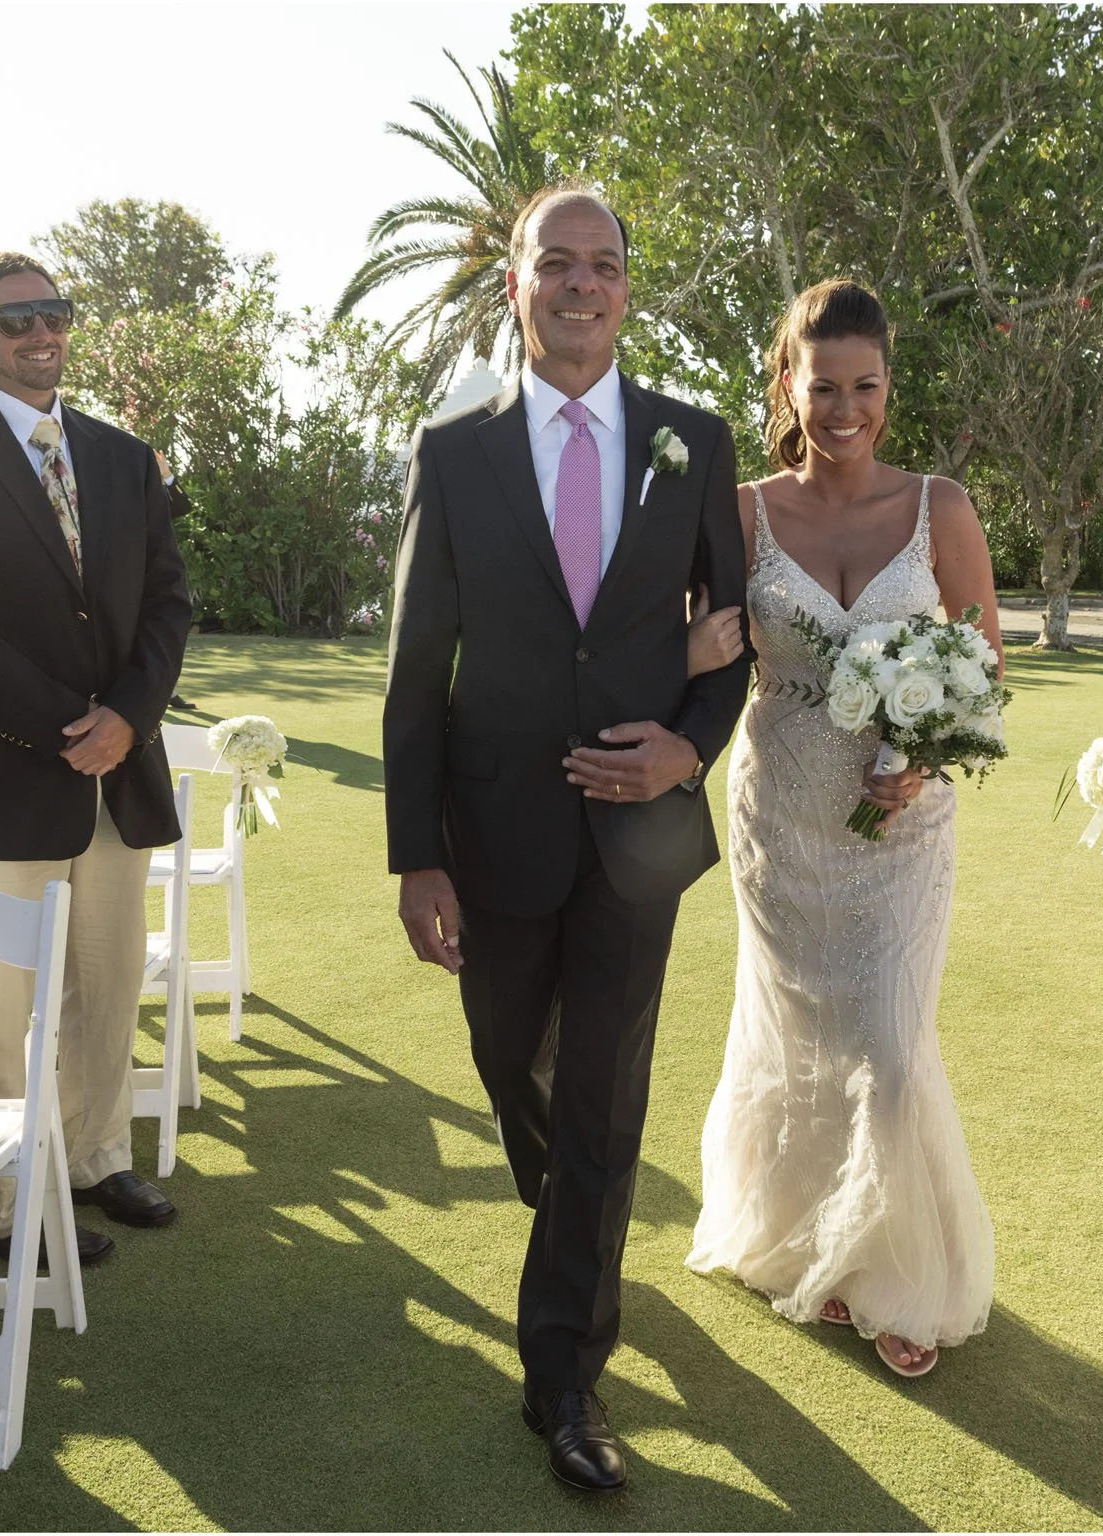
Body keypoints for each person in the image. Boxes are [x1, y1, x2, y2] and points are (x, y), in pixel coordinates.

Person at [383, 186, 750, 1493]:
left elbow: (733, 635)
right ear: (517, 286)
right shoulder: (453, 453)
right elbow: (418, 662)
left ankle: (565, 1378)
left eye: (605, 265)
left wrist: (689, 745)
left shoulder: (689, 443)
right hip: (491, 833)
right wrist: (415, 856)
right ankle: (575, 1208)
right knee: (509, 1059)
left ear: (626, 291)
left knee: (601, 1098)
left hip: (639, 839)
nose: (582, 284)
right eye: (559, 263)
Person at [681, 279, 998, 1379]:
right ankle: (810, 1246)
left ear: (885, 387)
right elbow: (678, 635)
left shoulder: (938, 508)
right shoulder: (740, 511)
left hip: (901, 820)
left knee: (891, 1051)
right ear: (788, 385)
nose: (845, 408)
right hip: (784, 808)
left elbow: (982, 663)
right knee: (801, 1036)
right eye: (823, 386)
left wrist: (922, 752)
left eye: (864, 385)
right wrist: (689, 661)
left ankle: (903, 1274)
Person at [0, 251, 192, 1268]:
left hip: (118, 776)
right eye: (15, 322)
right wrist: (68, 723)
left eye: (53, 314)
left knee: (105, 985)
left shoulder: (122, 457)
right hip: (4, 774)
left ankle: (98, 1158)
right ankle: (0, 1204)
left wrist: (128, 721)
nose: (40, 334)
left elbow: (168, 603)